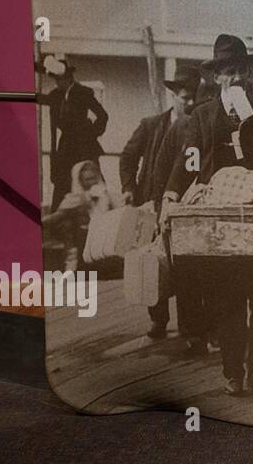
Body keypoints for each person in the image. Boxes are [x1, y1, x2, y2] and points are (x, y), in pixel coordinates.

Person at [162, 34, 253, 397]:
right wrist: (171, 194)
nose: (235, 78)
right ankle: (233, 373)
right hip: (219, 222)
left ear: (248, 73)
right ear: (216, 78)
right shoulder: (203, 116)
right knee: (228, 303)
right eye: (227, 72)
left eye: (240, 70)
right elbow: (189, 159)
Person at [118, 64, 202, 340]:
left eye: (193, 98)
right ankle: (159, 319)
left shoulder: (198, 125)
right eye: (184, 97)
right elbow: (128, 157)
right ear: (174, 96)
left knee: (184, 265)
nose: (189, 103)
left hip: (185, 207)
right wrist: (129, 187)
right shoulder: (152, 124)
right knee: (154, 261)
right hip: (151, 203)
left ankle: (190, 326)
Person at [36, 55, 109, 212]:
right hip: (65, 148)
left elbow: (102, 115)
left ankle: (99, 219)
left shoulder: (83, 92)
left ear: (68, 78)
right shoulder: (55, 95)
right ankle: (57, 222)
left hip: (84, 147)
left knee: (92, 184)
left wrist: (91, 134)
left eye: (59, 80)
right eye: (55, 80)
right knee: (61, 186)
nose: (57, 83)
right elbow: (39, 98)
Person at [40, 160, 116, 272]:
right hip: (83, 241)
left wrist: (104, 199)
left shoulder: (106, 194)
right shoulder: (74, 198)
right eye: (87, 179)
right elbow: (57, 216)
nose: (92, 183)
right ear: (80, 180)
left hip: (104, 238)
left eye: (94, 178)